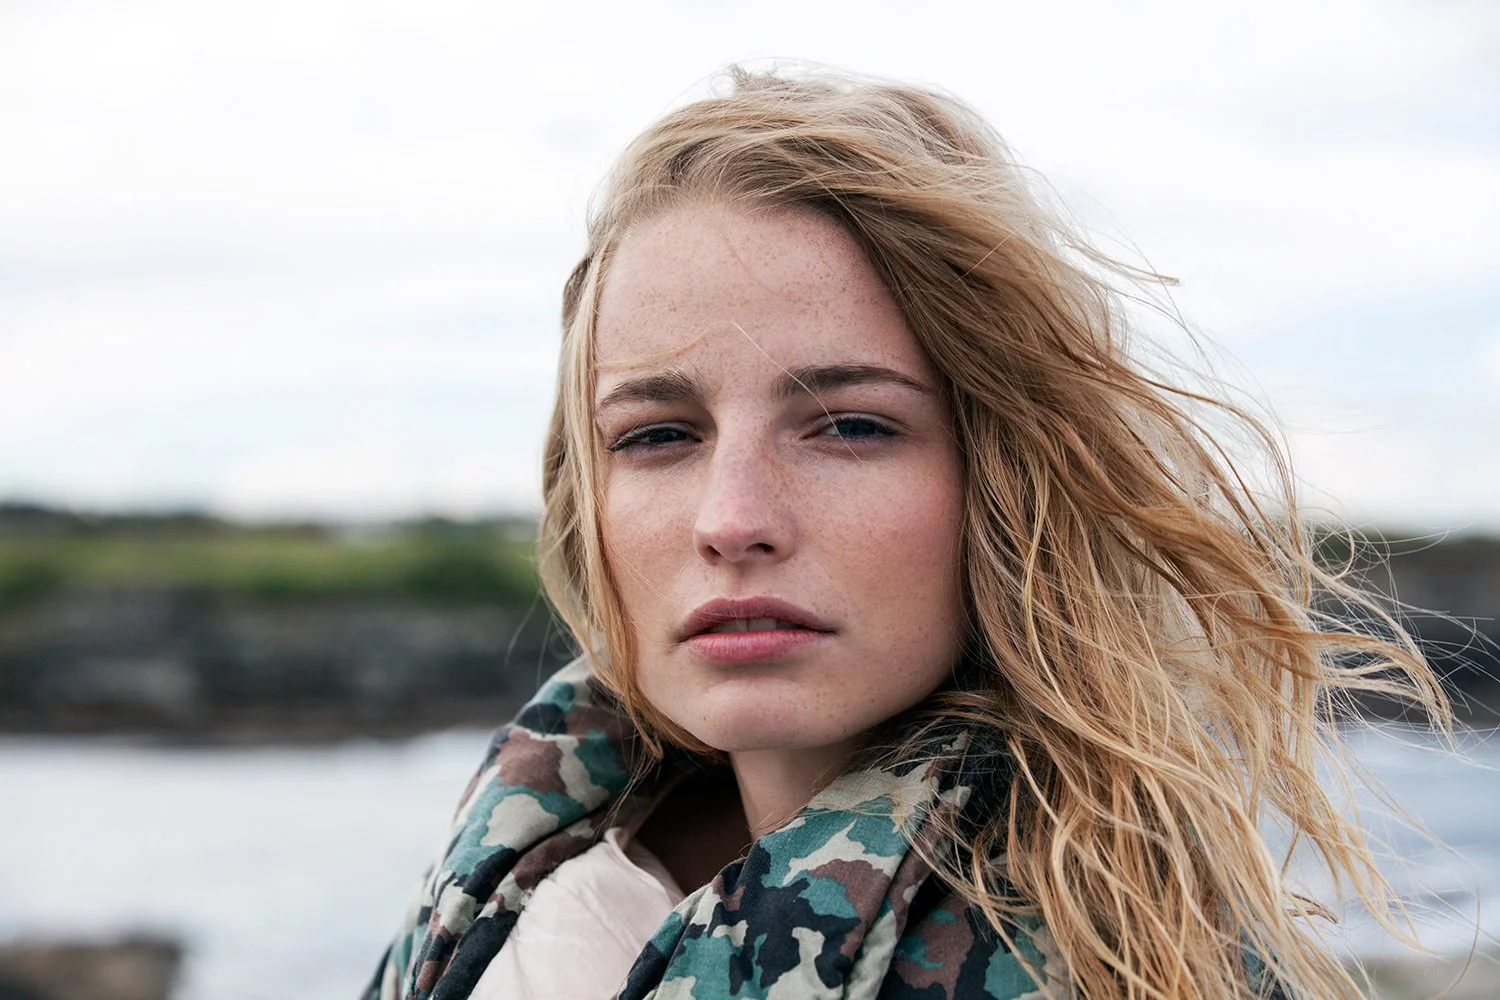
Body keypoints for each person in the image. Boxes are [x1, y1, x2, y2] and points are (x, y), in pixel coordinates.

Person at [364, 67, 1451, 1000]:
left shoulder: (1115, 959)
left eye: (849, 425)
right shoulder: (519, 856)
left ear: (1005, 479)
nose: (732, 519)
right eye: (656, 435)